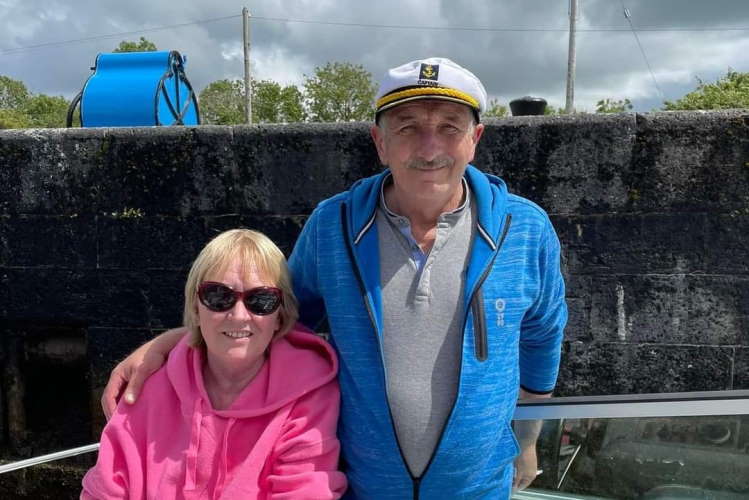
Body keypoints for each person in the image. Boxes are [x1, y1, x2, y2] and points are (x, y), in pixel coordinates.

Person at [102, 57, 567, 499]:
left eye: (449, 127)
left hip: (479, 488)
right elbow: (276, 316)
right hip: (365, 487)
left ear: (475, 138)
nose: (430, 148)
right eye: (408, 128)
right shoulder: (333, 226)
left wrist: (527, 441)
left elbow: (543, 336)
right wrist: (176, 340)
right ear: (379, 142)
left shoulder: (524, 229)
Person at [83, 229, 347, 499]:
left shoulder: (307, 393)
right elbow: (105, 489)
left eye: (261, 300)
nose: (238, 315)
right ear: (196, 309)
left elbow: (304, 491)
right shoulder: (147, 383)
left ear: (280, 316)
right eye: (219, 297)